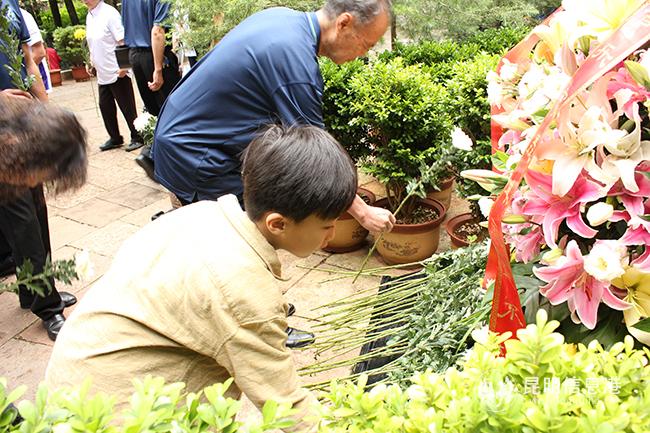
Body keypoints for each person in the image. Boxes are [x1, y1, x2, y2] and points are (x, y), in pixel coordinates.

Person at [45, 126, 356, 431]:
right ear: (277, 224)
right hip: (111, 412)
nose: (330, 235)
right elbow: (287, 405)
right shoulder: (242, 290)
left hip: (71, 378)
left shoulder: (202, 213)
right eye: (326, 225)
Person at [152, 0, 395, 234]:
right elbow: (316, 155)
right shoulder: (295, 61)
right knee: (242, 243)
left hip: (181, 135)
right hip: (194, 154)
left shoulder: (284, 19)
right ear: (343, 23)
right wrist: (363, 213)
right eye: (367, 44)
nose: (364, 53)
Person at [1, 0, 79, 340]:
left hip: (22, 123)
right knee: (21, 219)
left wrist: (46, 110)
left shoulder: (9, 6)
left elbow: (28, 59)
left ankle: (33, 290)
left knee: (36, 208)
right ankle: (47, 308)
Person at [83, 0, 143, 152]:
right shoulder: (89, 16)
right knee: (105, 105)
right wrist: (91, 62)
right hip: (102, 71)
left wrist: (124, 67)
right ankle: (115, 137)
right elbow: (93, 43)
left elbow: (122, 41)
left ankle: (137, 136)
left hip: (117, 70)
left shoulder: (110, 13)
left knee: (127, 106)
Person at [19, 8, 52, 93]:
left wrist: (19, 78)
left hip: (32, 76)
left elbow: (39, 53)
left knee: (40, 106)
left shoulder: (23, 16)